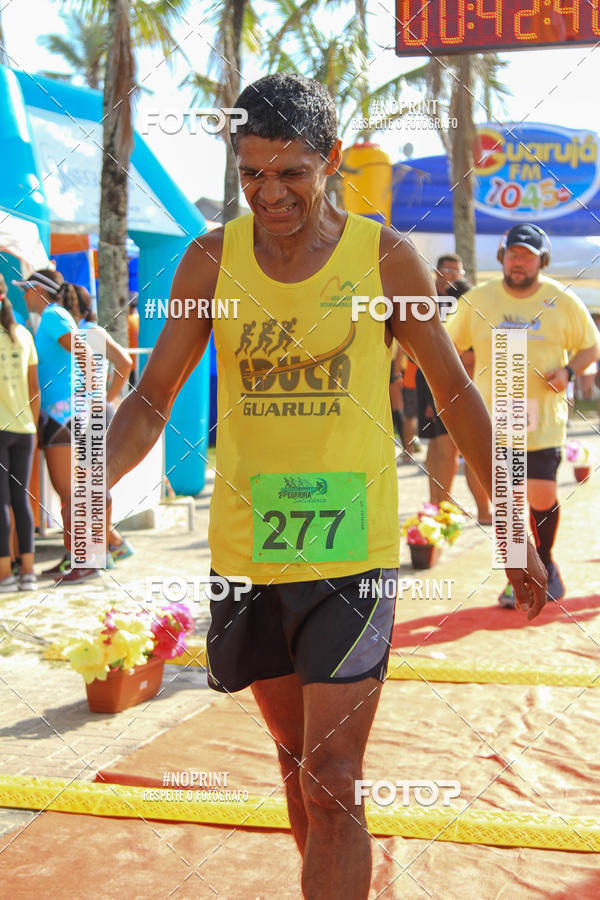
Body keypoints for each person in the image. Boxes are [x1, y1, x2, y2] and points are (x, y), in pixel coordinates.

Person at [96, 74, 547, 899]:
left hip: (354, 551)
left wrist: (513, 530)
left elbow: (455, 394)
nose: (271, 194)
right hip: (247, 552)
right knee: (299, 767)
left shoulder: (384, 257)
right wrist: (92, 489)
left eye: (292, 173)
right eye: (253, 175)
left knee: (334, 776)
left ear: (331, 161)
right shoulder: (207, 261)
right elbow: (153, 396)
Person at [446, 223, 600, 608]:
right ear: (502, 256)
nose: (519, 262)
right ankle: (519, 576)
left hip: (544, 420)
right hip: (496, 420)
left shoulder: (562, 301)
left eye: (528, 256)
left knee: (542, 494)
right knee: (510, 502)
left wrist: (567, 373)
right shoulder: (477, 300)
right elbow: (447, 345)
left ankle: (545, 562)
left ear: (541, 261)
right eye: (513, 254)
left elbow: (589, 348)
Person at [13, 270, 99, 581]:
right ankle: (74, 558)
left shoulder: (53, 316)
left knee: (70, 493)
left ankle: (85, 560)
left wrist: (89, 403)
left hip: (65, 416)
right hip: (58, 416)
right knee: (68, 494)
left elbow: (88, 357)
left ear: (38, 290)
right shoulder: (51, 317)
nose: (23, 296)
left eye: (26, 290)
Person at [416, 256, 493, 522]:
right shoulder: (424, 298)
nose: (450, 276)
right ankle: (444, 508)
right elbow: (464, 355)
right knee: (448, 446)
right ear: (436, 272)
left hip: (452, 380)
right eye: (446, 270)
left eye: (455, 272)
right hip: (440, 379)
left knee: (445, 446)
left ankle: (441, 506)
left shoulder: (466, 304)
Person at [75, 284, 134, 567]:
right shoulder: (89, 332)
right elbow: (123, 363)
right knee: (92, 482)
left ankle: (106, 548)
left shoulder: (86, 332)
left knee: (91, 483)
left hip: (91, 415)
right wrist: (107, 398)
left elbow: (125, 362)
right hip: (95, 413)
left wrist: (106, 398)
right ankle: (112, 542)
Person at [0, 277, 40, 592]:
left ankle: (5, 574)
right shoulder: (23, 335)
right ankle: (28, 571)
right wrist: (34, 426)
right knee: (20, 500)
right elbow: (34, 388)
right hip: (24, 428)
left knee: (1, 502)